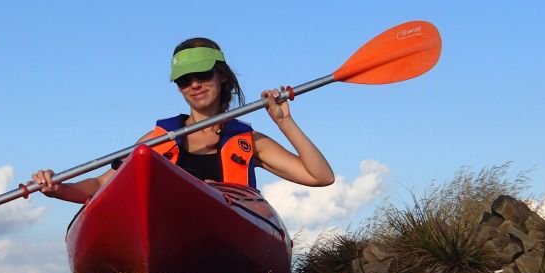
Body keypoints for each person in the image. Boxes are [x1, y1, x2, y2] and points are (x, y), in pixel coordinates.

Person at [33, 38, 334, 202]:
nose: (194, 85)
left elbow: (321, 177)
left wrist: (284, 122)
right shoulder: (157, 140)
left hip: (226, 240)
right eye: (184, 80)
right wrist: (57, 188)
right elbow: (100, 185)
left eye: (202, 75)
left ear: (222, 77)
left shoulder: (249, 142)